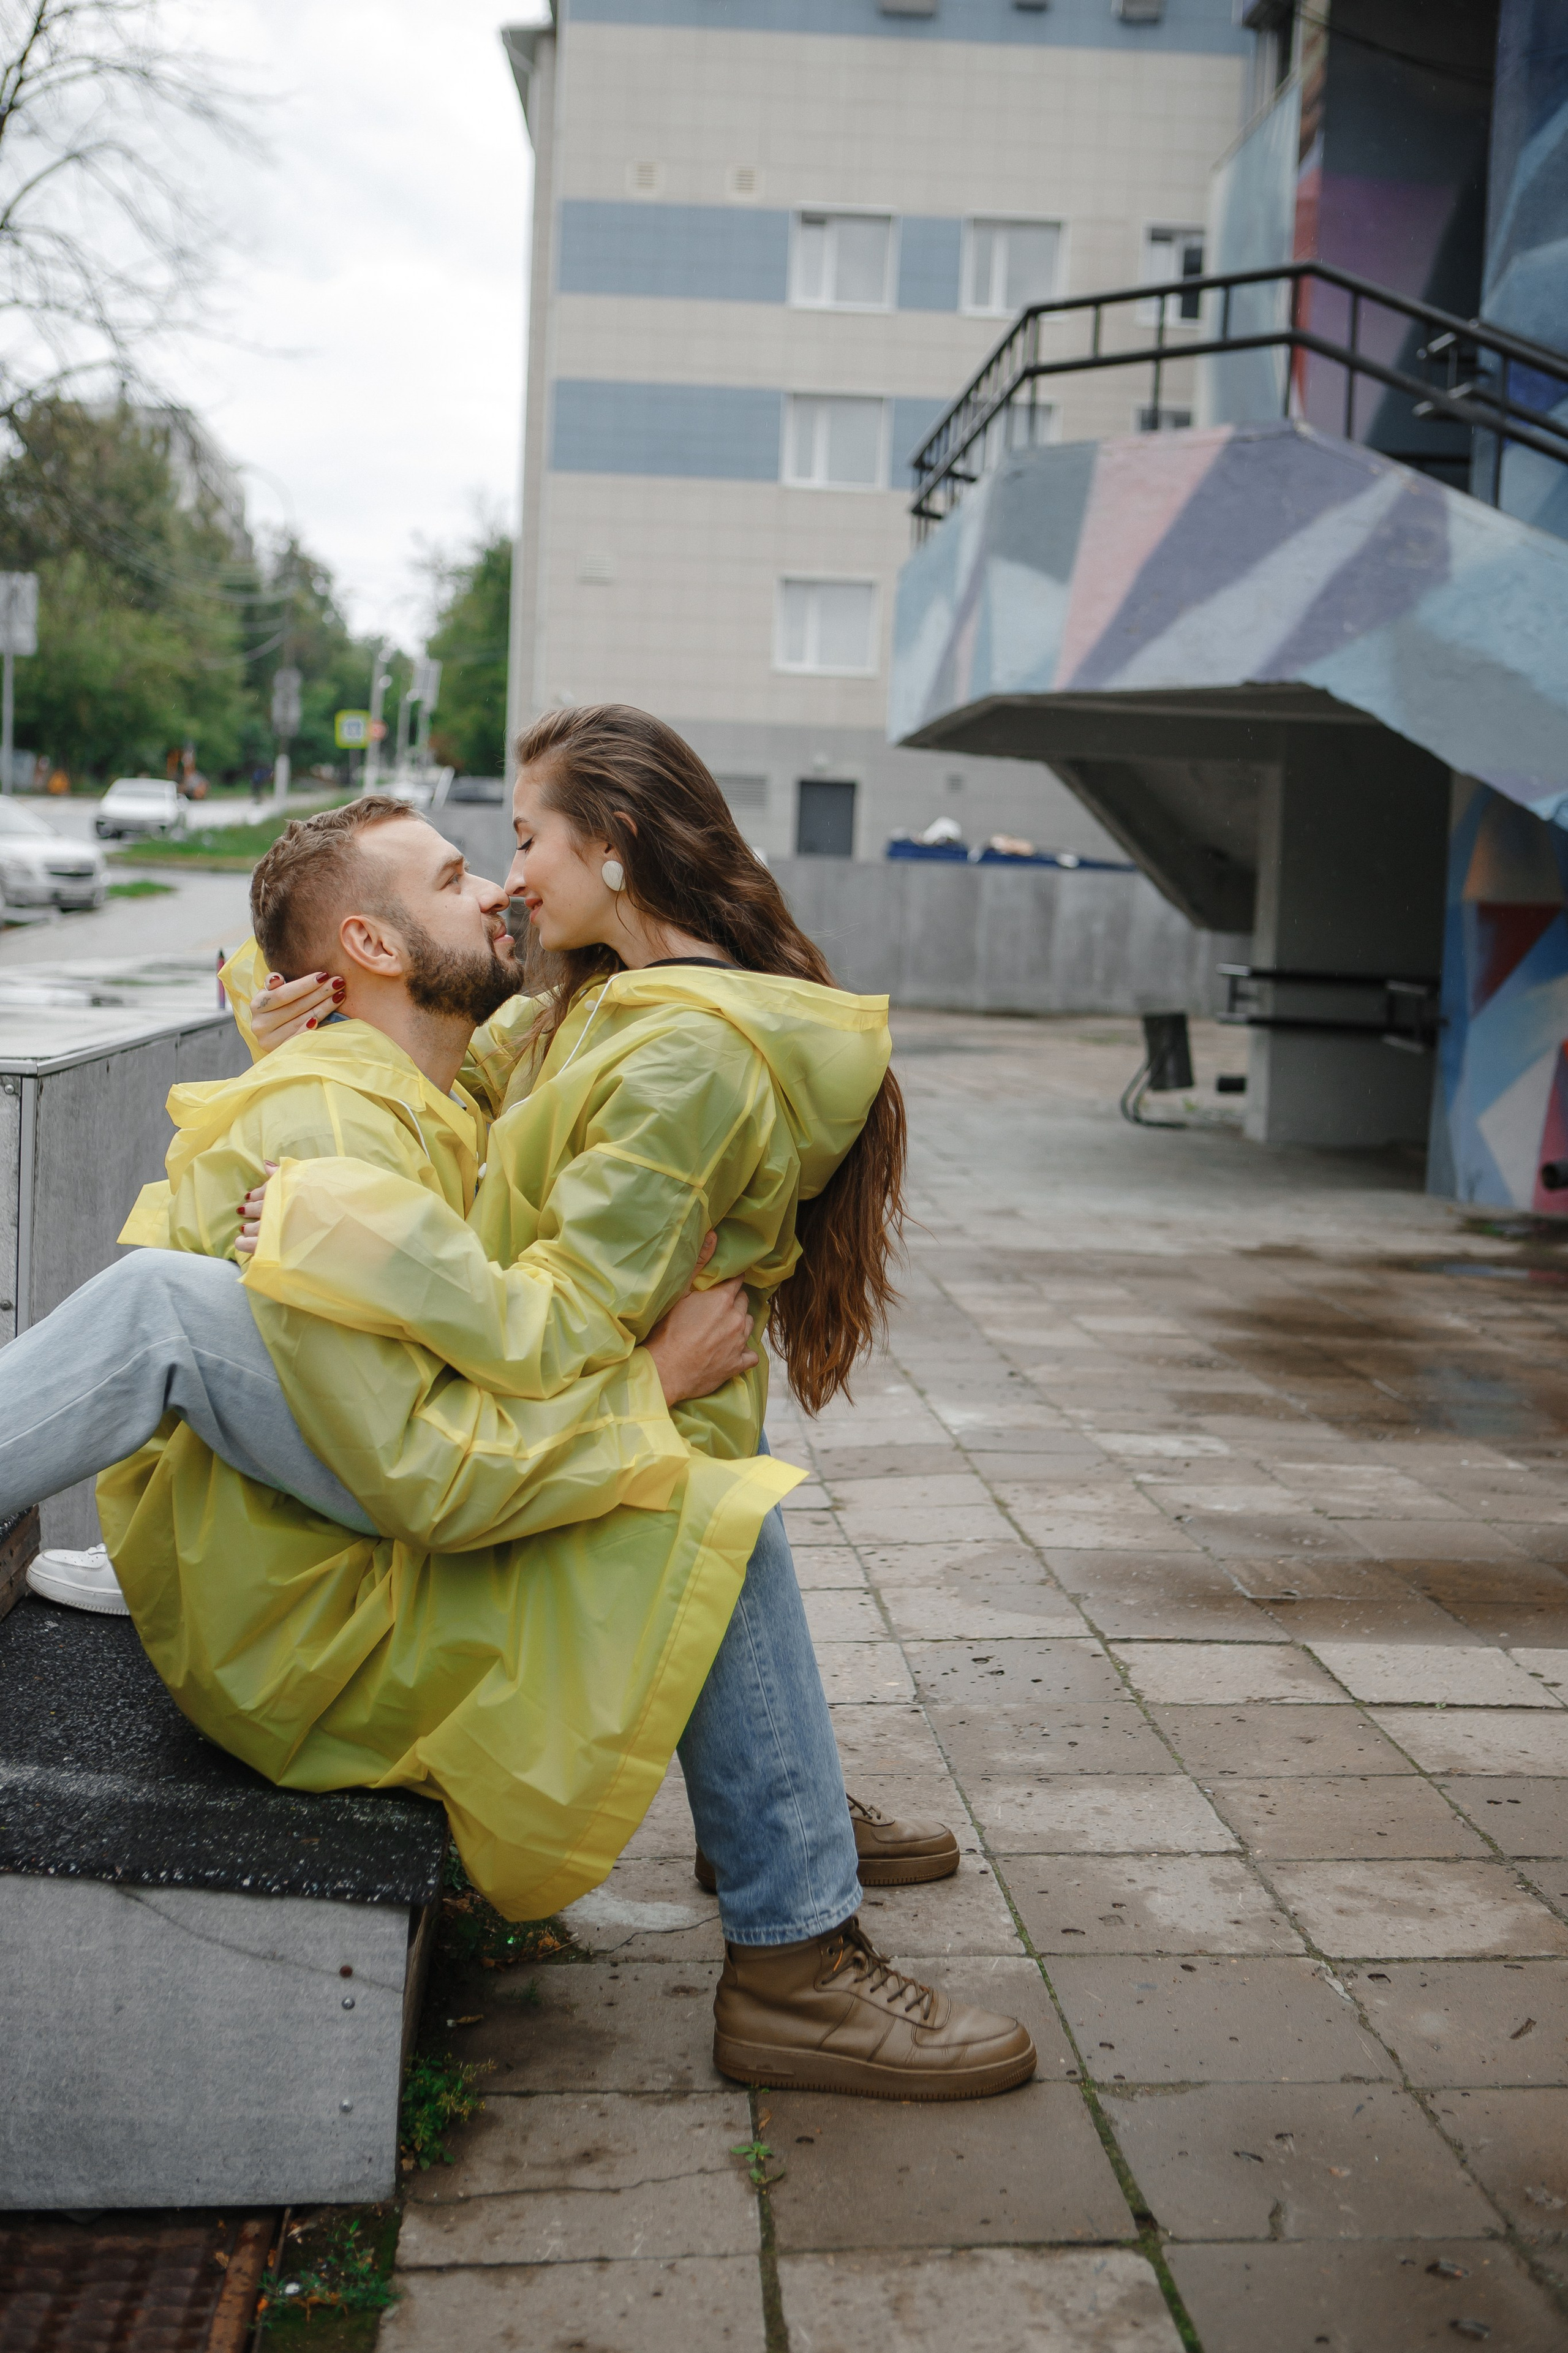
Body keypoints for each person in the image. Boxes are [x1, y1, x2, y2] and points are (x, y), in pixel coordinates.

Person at [5, 734, 1036, 2099]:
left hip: (364, 1530)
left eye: (517, 842)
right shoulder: (353, 1127)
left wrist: (292, 1005)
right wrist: (648, 1386)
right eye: (461, 871)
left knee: (699, 1487)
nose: (500, 881)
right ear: (377, 941)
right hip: (316, 1617)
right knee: (697, 1495)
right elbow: (429, 1465)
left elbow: (473, 1071)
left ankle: (777, 1827)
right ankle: (790, 1919)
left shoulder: (511, 1058)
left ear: (613, 848)